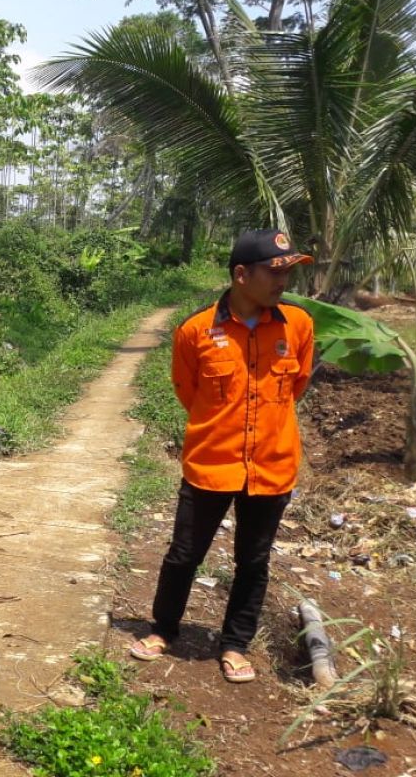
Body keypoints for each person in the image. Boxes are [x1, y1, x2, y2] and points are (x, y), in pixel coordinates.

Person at [129, 229, 315, 684]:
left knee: (253, 561)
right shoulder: (195, 330)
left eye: (288, 272)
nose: (282, 282)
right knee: (183, 554)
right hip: (211, 464)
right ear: (240, 274)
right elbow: (187, 391)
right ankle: (163, 630)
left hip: (273, 466)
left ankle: (235, 643)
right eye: (274, 272)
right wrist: (223, 426)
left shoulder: (299, 326)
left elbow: (297, 385)